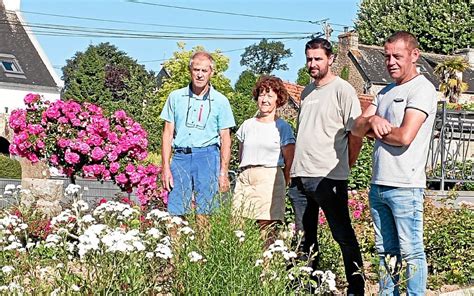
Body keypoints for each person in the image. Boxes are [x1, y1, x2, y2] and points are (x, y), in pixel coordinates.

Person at [351, 31, 437, 295]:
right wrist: (373, 121)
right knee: (385, 252)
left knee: (411, 251)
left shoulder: (422, 89)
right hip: (379, 184)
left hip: (405, 186)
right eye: (387, 56)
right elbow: (355, 128)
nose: (391, 62)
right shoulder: (384, 91)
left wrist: (373, 128)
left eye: (397, 56)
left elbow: (404, 136)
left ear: (414, 55)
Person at [289, 37, 365, 295]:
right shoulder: (307, 92)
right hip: (300, 177)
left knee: (342, 235)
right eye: (309, 58)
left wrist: (347, 165)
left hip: (328, 177)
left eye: (318, 58)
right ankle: (307, 288)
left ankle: (356, 288)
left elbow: (356, 134)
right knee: (304, 239)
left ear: (330, 59)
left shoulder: (343, 90)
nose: (312, 63)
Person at [160, 51, 235, 220]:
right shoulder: (175, 97)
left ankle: (203, 247)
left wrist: (223, 173)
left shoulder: (221, 101)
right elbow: (167, 134)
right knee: (176, 212)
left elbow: (225, 139)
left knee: (206, 212)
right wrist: (165, 168)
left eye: (204, 70)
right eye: (196, 70)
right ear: (190, 70)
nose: (200, 75)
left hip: (208, 157)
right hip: (181, 157)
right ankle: (177, 247)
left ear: (211, 72)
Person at [232, 76, 295, 240]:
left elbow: (289, 160)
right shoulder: (247, 125)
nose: (265, 99)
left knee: (266, 229)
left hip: (269, 177)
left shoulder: (282, 127)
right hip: (246, 178)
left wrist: (284, 180)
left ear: (277, 99)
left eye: (269, 95)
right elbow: (241, 155)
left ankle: (267, 265)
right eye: (261, 94)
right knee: (237, 226)